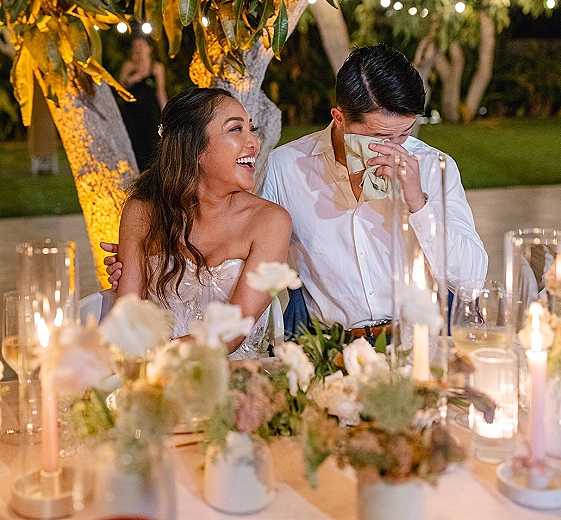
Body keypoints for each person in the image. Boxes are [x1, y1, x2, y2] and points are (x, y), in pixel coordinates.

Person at [104, 46, 487, 340]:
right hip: (334, 351)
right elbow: (237, 237)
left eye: (404, 134)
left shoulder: (434, 168)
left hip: (426, 343)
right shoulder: (289, 168)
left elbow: (470, 280)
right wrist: (150, 257)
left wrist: (419, 204)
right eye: (378, 138)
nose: (395, 148)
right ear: (339, 118)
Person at [114, 86, 292, 357]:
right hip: (152, 381)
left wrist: (155, 358)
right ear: (194, 148)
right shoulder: (142, 213)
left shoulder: (269, 222)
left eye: (251, 130)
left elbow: (230, 335)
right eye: (236, 130)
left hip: (237, 380)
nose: (253, 142)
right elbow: (127, 320)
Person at [119, 37, 168, 171]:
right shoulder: (129, 66)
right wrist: (134, 78)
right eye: (135, 46)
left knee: (153, 142)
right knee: (135, 142)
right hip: (133, 111)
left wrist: (165, 113)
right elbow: (120, 88)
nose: (138, 49)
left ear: (149, 48)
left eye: (141, 45)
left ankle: (154, 171)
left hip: (151, 111)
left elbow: (160, 91)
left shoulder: (157, 67)